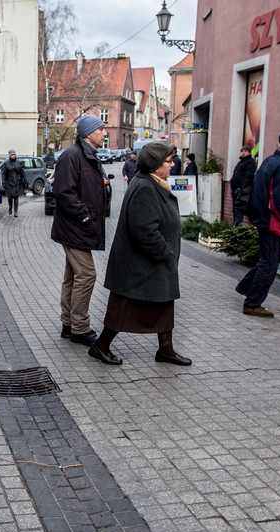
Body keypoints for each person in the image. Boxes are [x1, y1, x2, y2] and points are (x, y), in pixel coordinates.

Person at [87, 141, 190, 367]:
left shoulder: (152, 182)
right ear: (155, 164)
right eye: (168, 161)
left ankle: (166, 349)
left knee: (164, 303)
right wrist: (166, 252)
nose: (173, 164)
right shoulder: (145, 187)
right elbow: (144, 231)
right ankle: (101, 346)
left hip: (151, 264)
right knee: (123, 307)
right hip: (140, 265)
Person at [51, 114, 108, 345]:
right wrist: (85, 217)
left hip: (80, 228)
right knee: (87, 275)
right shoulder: (72, 156)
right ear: (88, 133)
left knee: (73, 276)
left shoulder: (87, 155)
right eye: (101, 129)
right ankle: (80, 328)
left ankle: (68, 324)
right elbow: (64, 192)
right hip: (74, 228)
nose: (105, 133)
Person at [237, 130, 280, 318]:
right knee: (270, 264)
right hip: (270, 221)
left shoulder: (269, 161)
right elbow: (279, 200)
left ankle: (246, 285)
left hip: (262, 217)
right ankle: (252, 303)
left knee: (270, 258)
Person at [229, 145, 257, 227]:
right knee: (235, 208)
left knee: (239, 208)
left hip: (241, 189)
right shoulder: (241, 162)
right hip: (235, 188)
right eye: (242, 151)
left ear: (249, 152)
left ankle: (238, 225)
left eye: (245, 151)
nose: (243, 153)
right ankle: (235, 223)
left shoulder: (250, 163)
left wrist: (241, 187)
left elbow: (248, 177)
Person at [0, 150, 28, 217]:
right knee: (10, 197)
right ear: (9, 155)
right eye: (12, 155)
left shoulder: (19, 162)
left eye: (14, 155)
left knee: (16, 197)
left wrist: (26, 181)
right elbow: (3, 173)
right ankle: (10, 207)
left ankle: (16, 211)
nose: (13, 156)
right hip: (9, 182)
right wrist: (3, 182)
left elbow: (22, 172)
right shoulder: (6, 163)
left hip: (17, 182)